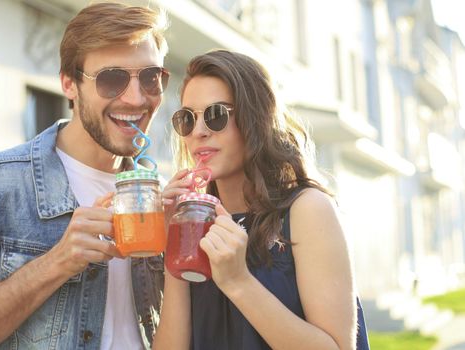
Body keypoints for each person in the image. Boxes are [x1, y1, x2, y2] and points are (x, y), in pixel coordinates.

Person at [0, 2, 169, 349]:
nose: (136, 98)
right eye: (112, 79)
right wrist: (56, 263)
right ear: (69, 84)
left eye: (151, 78)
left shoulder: (161, 196)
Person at [154, 50, 369, 350]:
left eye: (215, 115)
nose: (198, 132)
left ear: (254, 118)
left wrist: (238, 281)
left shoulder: (307, 210)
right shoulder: (195, 220)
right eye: (187, 119)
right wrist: (173, 243)